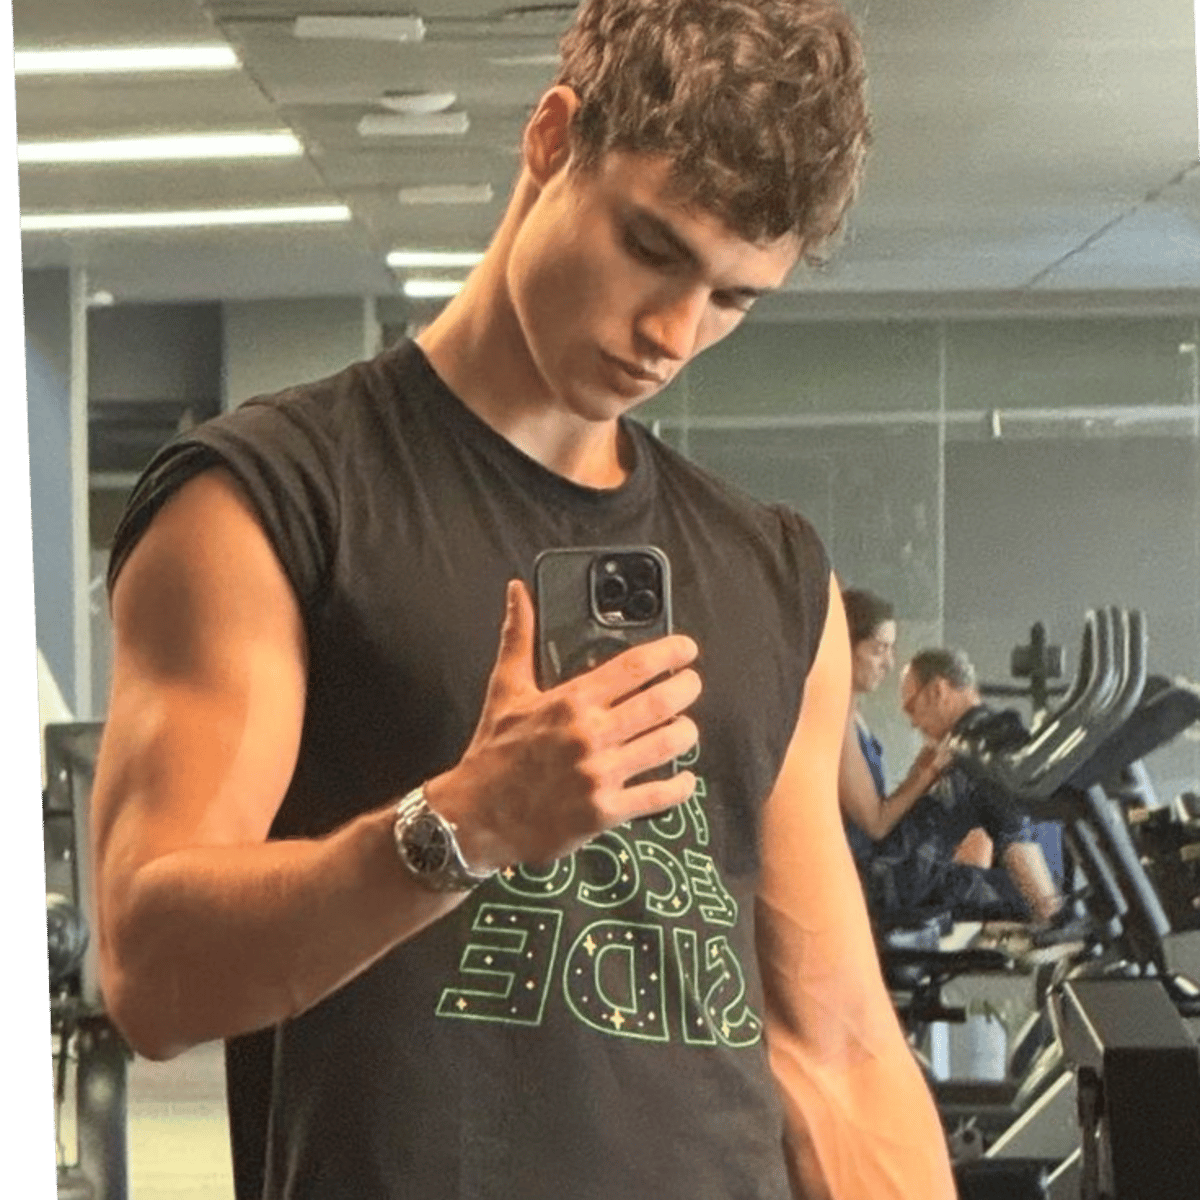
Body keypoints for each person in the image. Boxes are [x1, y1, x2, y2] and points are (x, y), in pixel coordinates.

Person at [88, 2, 956, 1198]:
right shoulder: (270, 501)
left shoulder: (771, 572)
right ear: (552, 140)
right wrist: (463, 826)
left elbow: (839, 1050)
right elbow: (149, 973)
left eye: (733, 297)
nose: (673, 332)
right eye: (652, 246)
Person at [857, 648, 1063, 925]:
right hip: (891, 887)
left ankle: (1052, 910)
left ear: (938, 691)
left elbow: (1007, 830)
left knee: (1024, 886)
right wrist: (1050, 910)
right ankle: (1054, 913)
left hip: (893, 880)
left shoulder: (973, 746)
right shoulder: (966, 749)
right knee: (1027, 894)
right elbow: (1010, 833)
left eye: (912, 708)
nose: (914, 723)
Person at [838, 588, 950, 862]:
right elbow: (875, 823)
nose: (888, 664)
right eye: (879, 650)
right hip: (860, 870)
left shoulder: (854, 714)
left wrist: (924, 764)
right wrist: (929, 771)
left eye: (891, 649)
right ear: (846, 648)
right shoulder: (839, 721)